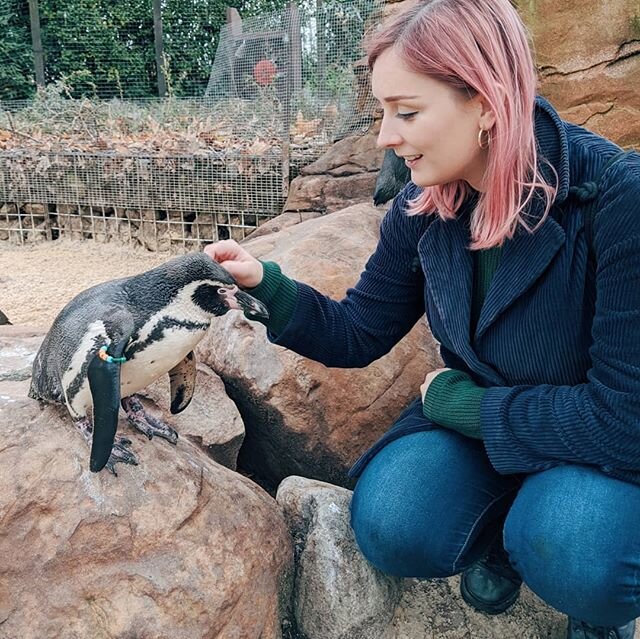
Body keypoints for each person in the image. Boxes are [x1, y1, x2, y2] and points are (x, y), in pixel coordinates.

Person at [204, 1, 640, 637]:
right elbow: (360, 331)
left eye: (407, 112)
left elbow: (625, 421)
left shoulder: (616, 195)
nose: (385, 136)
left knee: (576, 550)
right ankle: (505, 532)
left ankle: (583, 599)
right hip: (495, 437)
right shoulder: (425, 201)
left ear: (487, 102)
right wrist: (265, 284)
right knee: (393, 521)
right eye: (384, 111)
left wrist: (460, 405)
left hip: (593, 446)